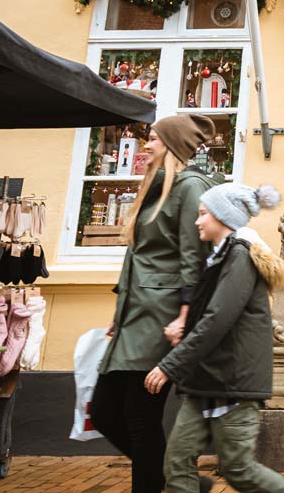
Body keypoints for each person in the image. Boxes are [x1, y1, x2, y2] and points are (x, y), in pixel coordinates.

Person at [146, 182, 284, 493]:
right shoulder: (218, 258)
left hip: (232, 381)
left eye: (203, 214)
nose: (197, 221)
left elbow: (218, 318)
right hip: (206, 380)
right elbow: (211, 314)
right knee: (177, 461)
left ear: (223, 217)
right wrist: (183, 328)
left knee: (238, 469)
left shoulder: (239, 257)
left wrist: (170, 365)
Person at [91, 114, 219, 493]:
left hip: (161, 317)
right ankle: (179, 480)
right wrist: (120, 312)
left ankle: (166, 482)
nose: (145, 145)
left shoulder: (190, 187)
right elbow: (138, 256)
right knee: (104, 412)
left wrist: (185, 315)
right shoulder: (159, 184)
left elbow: (193, 255)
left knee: (140, 417)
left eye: (153, 139)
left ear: (172, 145)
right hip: (136, 315)